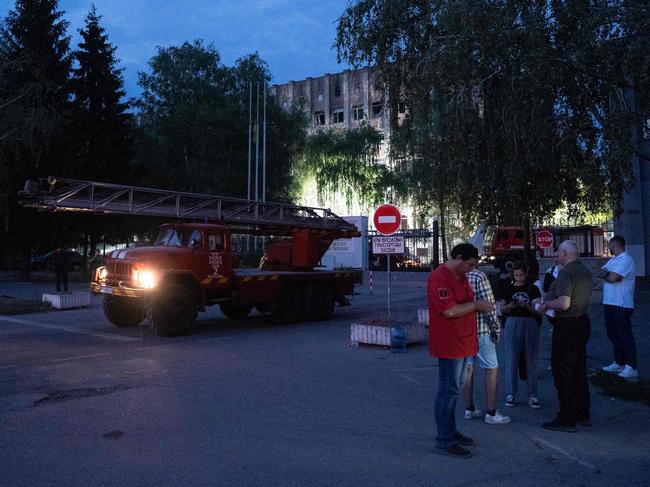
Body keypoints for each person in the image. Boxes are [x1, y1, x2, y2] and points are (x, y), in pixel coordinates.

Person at [427, 243, 495, 458]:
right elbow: (449, 311)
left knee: (455, 390)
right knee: (448, 390)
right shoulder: (440, 277)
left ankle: (451, 431)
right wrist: (477, 306)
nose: (471, 269)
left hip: (464, 342)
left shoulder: (461, 275)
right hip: (450, 344)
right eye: (469, 264)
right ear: (458, 257)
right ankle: (444, 440)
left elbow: (463, 302)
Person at [540, 240, 593, 432]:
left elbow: (563, 303)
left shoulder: (566, 273)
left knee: (562, 370)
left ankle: (566, 417)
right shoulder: (584, 271)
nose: (555, 257)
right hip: (582, 322)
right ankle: (582, 412)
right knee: (578, 369)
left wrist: (546, 305)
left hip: (567, 326)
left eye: (557, 254)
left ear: (564, 252)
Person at [463, 268, 511, 425]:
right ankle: (491, 412)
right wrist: (496, 329)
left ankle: (469, 408)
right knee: (491, 368)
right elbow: (489, 306)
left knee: (467, 368)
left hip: (463, 330)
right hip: (482, 329)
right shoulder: (479, 276)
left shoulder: (455, 275)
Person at [498, 262, 542, 409]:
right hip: (512, 321)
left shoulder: (533, 289)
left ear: (526, 274)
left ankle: (533, 394)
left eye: (521, 275)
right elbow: (502, 310)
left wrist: (526, 306)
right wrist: (512, 305)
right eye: (516, 275)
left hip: (529, 321)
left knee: (531, 359)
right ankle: (510, 393)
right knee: (511, 358)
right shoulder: (508, 288)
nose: (519, 278)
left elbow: (538, 311)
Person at [598, 236, 638, 378]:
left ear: (614, 245)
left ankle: (631, 366)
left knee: (624, 335)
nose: (609, 248)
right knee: (612, 333)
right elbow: (601, 272)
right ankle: (619, 362)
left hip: (621, 304)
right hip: (609, 302)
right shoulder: (612, 260)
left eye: (610, 246)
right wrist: (607, 274)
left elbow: (613, 278)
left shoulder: (626, 260)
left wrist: (607, 274)